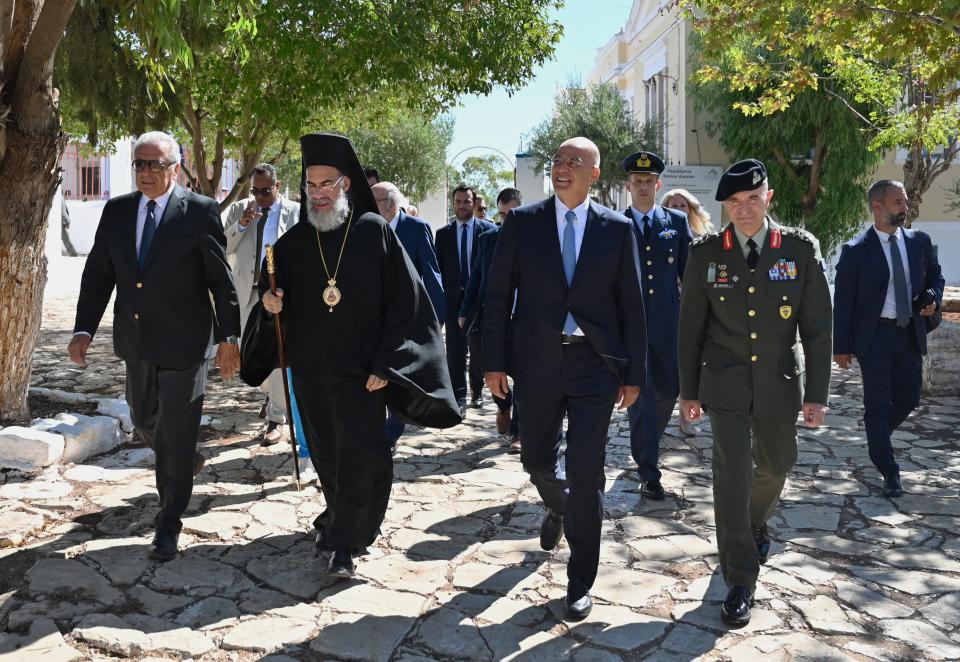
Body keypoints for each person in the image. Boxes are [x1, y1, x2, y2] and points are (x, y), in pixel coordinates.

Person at [246, 132, 460, 577]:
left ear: (345, 184)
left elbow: (407, 304)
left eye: (327, 184)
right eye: (311, 185)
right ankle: (342, 520)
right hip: (312, 371)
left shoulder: (373, 232)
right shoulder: (290, 244)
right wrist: (269, 306)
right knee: (327, 454)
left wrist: (387, 362)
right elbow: (269, 298)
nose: (318, 193)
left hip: (364, 373)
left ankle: (345, 541)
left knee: (365, 456)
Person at [483, 137, 646, 621]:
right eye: (558, 160)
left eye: (574, 162)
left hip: (595, 365)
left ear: (594, 174)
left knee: (587, 470)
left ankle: (580, 580)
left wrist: (634, 373)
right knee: (535, 459)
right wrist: (493, 362)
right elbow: (498, 296)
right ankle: (559, 504)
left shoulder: (617, 228)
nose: (562, 167)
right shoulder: (523, 223)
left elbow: (633, 305)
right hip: (537, 363)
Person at [69, 131, 241, 561]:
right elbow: (99, 275)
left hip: (187, 344)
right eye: (139, 164)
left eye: (155, 164)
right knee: (145, 417)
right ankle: (181, 458)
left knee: (176, 433)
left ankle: (168, 522)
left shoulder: (199, 211)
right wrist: (83, 329)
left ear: (175, 169)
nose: (145, 172)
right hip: (138, 341)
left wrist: (229, 338)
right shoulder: (118, 211)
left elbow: (221, 281)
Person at [677, 158, 832, 627]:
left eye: (752, 199)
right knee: (732, 477)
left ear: (768, 198)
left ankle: (754, 521)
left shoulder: (799, 249)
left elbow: (818, 328)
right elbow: (690, 330)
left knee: (778, 463)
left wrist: (817, 393)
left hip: (779, 382)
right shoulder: (707, 253)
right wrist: (688, 392)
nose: (743, 209)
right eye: (733, 201)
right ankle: (740, 579)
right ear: (724, 206)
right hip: (723, 383)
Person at [833, 179, 944, 498]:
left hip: (909, 331)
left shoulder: (919, 242)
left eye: (905, 201)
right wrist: (841, 347)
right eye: (898, 202)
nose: (905, 207)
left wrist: (933, 296)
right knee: (878, 404)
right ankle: (889, 469)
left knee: (909, 398)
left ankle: (876, 434)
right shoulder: (856, 251)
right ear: (877, 207)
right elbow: (843, 302)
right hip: (875, 337)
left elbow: (936, 276)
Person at [621, 152, 692, 500]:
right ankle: (648, 469)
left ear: (658, 184)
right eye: (637, 182)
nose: (643, 187)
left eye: (649, 182)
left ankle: (648, 443)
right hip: (630, 326)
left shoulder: (676, 222)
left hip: (668, 324)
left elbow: (689, 275)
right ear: (628, 185)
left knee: (669, 390)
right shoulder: (615, 223)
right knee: (640, 397)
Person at [222, 163, 299, 445]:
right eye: (255, 191)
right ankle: (271, 395)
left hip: (278, 296)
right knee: (248, 353)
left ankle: (277, 417)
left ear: (277, 186)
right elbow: (223, 246)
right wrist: (242, 224)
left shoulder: (295, 212)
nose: (260, 197)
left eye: (266, 191)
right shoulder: (239, 210)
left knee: (278, 354)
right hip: (246, 292)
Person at [372, 181, 445, 452]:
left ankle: (390, 434)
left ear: (391, 204)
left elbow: (432, 275)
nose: (369, 206)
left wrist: (435, 320)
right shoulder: (366, 229)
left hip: (407, 318)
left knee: (400, 378)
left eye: (375, 201)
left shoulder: (416, 228)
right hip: (374, 319)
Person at [459, 187, 523, 450]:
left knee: (525, 374)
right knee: (493, 369)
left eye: (513, 214)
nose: (508, 220)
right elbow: (476, 278)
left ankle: (519, 432)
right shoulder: (488, 240)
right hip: (492, 320)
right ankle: (503, 405)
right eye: (503, 215)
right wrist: (465, 311)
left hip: (525, 320)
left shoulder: (536, 240)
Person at [436, 185, 496, 414]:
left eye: (466, 201)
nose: (462, 206)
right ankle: (459, 398)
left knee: (478, 351)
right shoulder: (443, 234)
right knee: (455, 352)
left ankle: (477, 391)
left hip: (479, 302)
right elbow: (438, 270)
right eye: (458, 201)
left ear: (474, 203)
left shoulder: (488, 231)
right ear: (453, 204)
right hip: (453, 302)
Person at [661, 187, 713, 436]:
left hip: (696, 306)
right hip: (671, 306)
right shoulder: (661, 235)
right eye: (673, 205)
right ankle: (664, 414)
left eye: (683, 205)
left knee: (692, 361)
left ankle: (686, 417)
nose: (679, 210)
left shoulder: (704, 238)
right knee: (673, 361)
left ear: (691, 209)